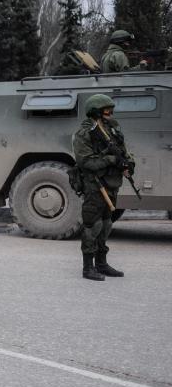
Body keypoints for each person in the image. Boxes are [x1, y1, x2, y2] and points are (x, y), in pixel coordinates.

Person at [72, 94, 132, 281]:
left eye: (111, 110)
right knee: (93, 225)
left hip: (112, 183)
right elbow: (86, 162)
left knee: (106, 224)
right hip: (95, 184)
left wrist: (128, 163)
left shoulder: (112, 128)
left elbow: (124, 150)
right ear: (96, 111)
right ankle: (88, 268)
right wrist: (112, 159)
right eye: (106, 110)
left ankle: (102, 264)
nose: (110, 113)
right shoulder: (85, 134)